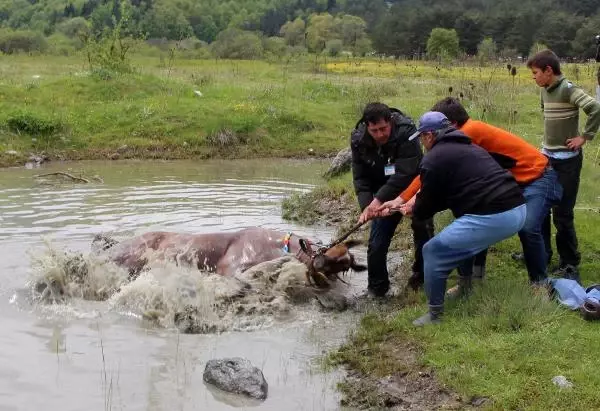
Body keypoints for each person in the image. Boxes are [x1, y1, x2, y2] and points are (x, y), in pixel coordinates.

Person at [394, 97, 562, 293]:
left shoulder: (466, 133)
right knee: (478, 216)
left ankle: (539, 285)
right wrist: (405, 198)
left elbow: (430, 171)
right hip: (517, 180)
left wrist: (404, 199)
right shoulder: (464, 133)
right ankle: (475, 275)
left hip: (539, 178)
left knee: (528, 227)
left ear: (452, 125)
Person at [380, 111, 526, 325]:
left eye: (421, 137)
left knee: (432, 250)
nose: (422, 142)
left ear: (430, 135)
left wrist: (412, 209)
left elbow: (426, 206)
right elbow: (446, 195)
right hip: (518, 210)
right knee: (461, 234)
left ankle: (435, 314)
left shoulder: (433, 158)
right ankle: (465, 288)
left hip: (495, 215)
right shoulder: (469, 148)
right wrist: (403, 202)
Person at [526, 49, 600, 281]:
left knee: (563, 214)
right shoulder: (545, 91)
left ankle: (569, 262)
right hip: (546, 159)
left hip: (567, 163)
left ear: (549, 71)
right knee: (540, 208)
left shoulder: (568, 89)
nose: (533, 77)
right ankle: (543, 253)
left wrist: (584, 137)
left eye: (536, 72)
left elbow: (596, 108)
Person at [351, 102, 434, 297]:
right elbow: (360, 178)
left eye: (383, 129)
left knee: (423, 231)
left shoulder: (407, 132)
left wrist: (379, 200)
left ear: (391, 122)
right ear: (367, 127)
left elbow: (406, 172)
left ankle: (421, 277)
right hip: (382, 193)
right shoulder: (358, 140)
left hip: (414, 188)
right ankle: (377, 290)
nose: (380, 134)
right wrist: (367, 208)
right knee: (377, 244)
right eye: (374, 130)